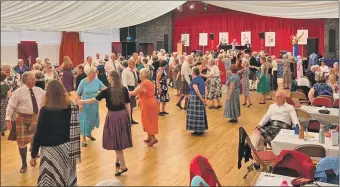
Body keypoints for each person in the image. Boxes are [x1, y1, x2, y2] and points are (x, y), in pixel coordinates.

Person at [78, 71, 132, 176]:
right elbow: (128, 105)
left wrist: (83, 102)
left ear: (111, 78)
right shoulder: (124, 89)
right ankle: (118, 160)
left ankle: (123, 166)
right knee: (119, 138)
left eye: (108, 76)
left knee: (116, 142)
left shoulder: (107, 91)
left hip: (113, 117)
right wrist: (128, 119)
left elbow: (95, 99)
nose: (107, 78)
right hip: (123, 115)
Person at [30, 80, 80, 186]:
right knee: (66, 176)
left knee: (49, 179)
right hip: (67, 148)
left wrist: (33, 155)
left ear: (47, 93)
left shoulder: (45, 110)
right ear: (63, 91)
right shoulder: (71, 107)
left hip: (49, 151)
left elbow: (39, 134)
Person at [5, 71, 45, 173]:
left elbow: (47, 100)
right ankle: (24, 164)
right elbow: (11, 105)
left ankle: (34, 154)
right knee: (22, 143)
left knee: (36, 139)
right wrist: (8, 118)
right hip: (22, 119)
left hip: (36, 118)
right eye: (32, 79)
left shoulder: (39, 90)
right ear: (26, 80)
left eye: (34, 78)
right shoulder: (18, 92)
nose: (35, 80)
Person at [76, 66, 106, 147]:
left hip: (94, 104)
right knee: (85, 121)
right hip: (85, 105)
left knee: (92, 120)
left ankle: (89, 134)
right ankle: (84, 139)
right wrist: (80, 104)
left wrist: (114, 89)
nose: (94, 74)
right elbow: (78, 94)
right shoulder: (83, 82)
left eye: (95, 73)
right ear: (88, 74)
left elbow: (105, 89)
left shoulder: (97, 81)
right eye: (93, 73)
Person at [129, 68, 159, 146]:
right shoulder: (149, 82)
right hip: (151, 102)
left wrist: (123, 90)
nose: (139, 75)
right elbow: (147, 91)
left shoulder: (144, 83)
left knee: (148, 120)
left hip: (147, 104)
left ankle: (153, 138)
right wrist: (139, 96)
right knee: (150, 119)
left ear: (145, 75)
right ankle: (149, 137)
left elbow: (133, 93)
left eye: (140, 74)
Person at [186, 67, 208, 136]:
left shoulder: (194, 80)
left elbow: (197, 91)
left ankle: (197, 130)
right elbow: (206, 89)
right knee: (200, 113)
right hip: (202, 97)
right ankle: (200, 129)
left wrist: (202, 99)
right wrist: (205, 99)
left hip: (195, 99)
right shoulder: (201, 79)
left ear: (193, 72)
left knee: (195, 114)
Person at [122, 58, 139, 125]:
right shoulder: (125, 71)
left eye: (135, 63)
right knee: (127, 106)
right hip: (128, 89)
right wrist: (127, 92)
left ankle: (130, 119)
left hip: (133, 88)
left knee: (131, 106)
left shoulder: (134, 70)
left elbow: (136, 80)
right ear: (129, 63)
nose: (135, 64)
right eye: (133, 63)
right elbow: (124, 83)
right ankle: (127, 121)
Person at [1, 71, 12, 136]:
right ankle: (2, 130)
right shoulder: (6, 86)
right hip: (3, 102)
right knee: (3, 116)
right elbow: (10, 95)